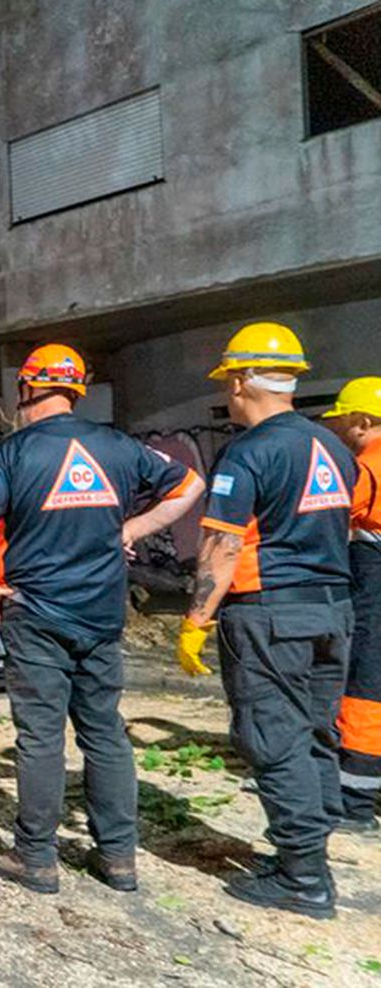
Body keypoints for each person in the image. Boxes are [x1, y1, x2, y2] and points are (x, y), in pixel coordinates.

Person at [0, 343, 203, 895]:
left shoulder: (10, 454)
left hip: (36, 613)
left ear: (25, 389)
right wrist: (133, 529)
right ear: (75, 391)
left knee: (41, 738)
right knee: (105, 733)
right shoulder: (118, 447)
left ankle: (36, 858)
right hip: (100, 614)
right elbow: (191, 486)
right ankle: (119, 858)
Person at [177, 322, 356, 919]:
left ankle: (304, 880)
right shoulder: (332, 447)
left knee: (275, 739)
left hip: (271, 613)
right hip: (334, 609)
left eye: (229, 381)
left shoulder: (248, 452)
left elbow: (221, 548)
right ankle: (310, 854)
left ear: (242, 379)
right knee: (316, 733)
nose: (228, 393)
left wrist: (197, 619)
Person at [324, 377, 381, 832]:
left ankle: (357, 796)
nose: (339, 430)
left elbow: (332, 516)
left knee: (365, 684)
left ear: (362, 422)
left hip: (374, 586)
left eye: (342, 421)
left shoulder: (369, 467)